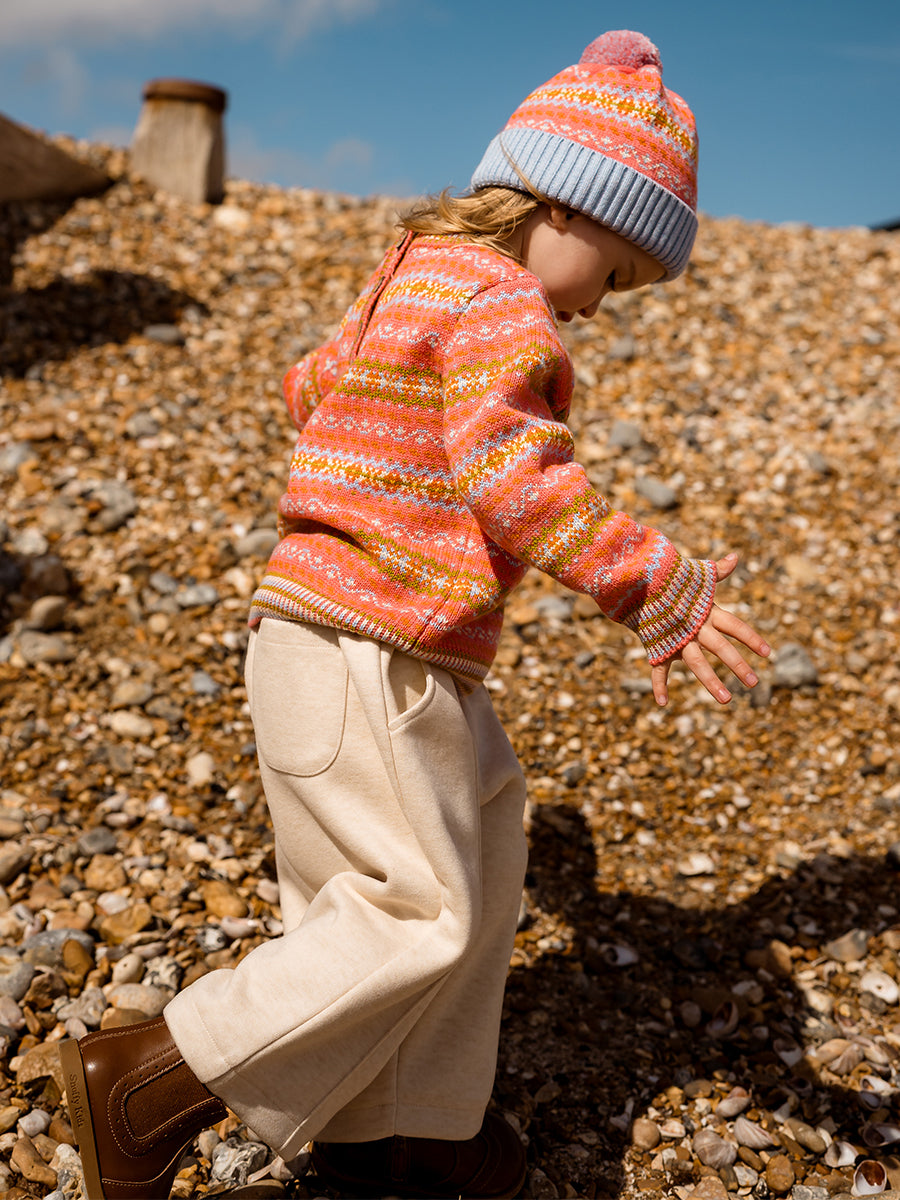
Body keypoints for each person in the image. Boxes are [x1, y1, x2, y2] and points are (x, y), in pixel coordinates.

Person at [59, 29, 771, 1200]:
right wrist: (655, 584)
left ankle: (406, 1129)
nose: (600, 309)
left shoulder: (415, 270)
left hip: (339, 641)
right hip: (372, 647)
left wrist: (375, 428)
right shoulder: (507, 304)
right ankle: (152, 1081)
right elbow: (519, 481)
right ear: (570, 205)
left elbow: (309, 384)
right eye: (618, 277)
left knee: (480, 853)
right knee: (419, 909)